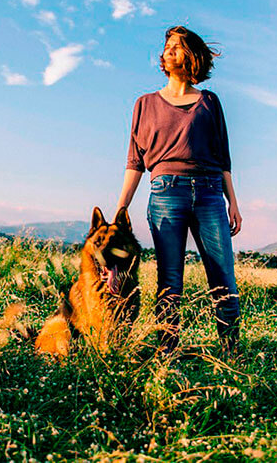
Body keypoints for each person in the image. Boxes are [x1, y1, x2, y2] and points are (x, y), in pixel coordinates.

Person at [115, 25, 243, 357]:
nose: (168, 51)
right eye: (167, 46)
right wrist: (121, 208)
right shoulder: (144, 103)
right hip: (165, 194)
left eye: (177, 46)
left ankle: (231, 353)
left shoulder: (210, 102)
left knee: (223, 278)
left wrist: (233, 202)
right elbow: (135, 161)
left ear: (191, 55)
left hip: (211, 193)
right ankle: (166, 352)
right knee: (170, 281)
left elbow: (223, 155)